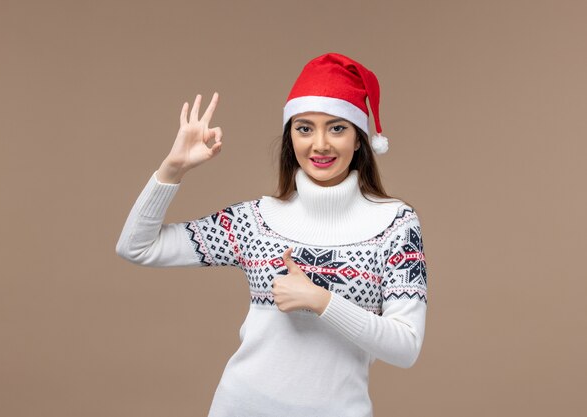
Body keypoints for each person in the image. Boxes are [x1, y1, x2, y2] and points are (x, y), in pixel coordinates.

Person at [115, 52, 428, 417]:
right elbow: (136, 246)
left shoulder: (395, 225)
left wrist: (321, 300)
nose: (320, 144)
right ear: (290, 137)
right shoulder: (254, 221)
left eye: (337, 128)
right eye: (305, 128)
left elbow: (406, 347)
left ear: (360, 139)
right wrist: (172, 170)